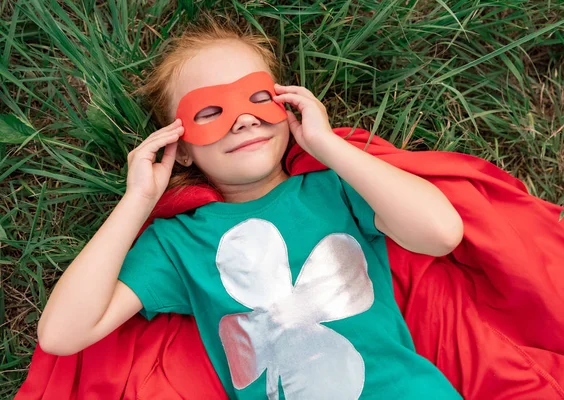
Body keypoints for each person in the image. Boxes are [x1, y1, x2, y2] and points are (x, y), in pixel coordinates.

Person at [36, 19, 466, 399]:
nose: (243, 120)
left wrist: (326, 145)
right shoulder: (176, 244)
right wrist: (137, 201)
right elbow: (61, 334)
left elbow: (441, 232)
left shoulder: (336, 188)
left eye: (258, 97)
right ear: (180, 147)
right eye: (209, 112)